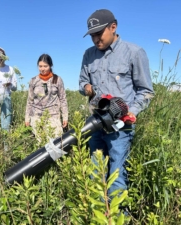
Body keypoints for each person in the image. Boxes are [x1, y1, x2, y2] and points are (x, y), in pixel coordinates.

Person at [79, 9, 154, 196]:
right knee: (95, 173)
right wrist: (87, 87)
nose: (96, 39)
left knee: (117, 175)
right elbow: (82, 82)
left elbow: (146, 91)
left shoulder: (134, 52)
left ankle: (119, 216)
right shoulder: (88, 55)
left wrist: (132, 112)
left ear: (113, 27)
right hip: (96, 124)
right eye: (92, 36)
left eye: (99, 33)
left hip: (121, 127)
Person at [25, 54, 68, 141]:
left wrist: (65, 116)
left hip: (53, 117)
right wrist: (27, 118)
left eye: (45, 66)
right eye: (40, 66)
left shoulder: (57, 80)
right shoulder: (33, 81)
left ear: (50, 65)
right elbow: (30, 101)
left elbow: (63, 99)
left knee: (56, 144)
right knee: (40, 146)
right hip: (36, 117)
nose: (42, 69)